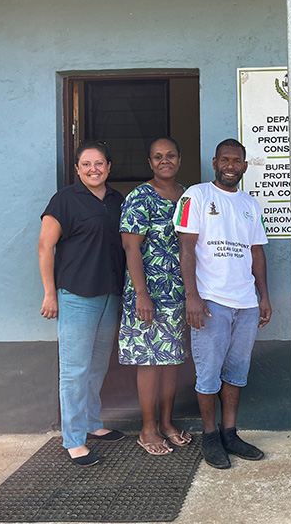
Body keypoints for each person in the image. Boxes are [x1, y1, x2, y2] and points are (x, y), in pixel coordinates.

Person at [173, 138, 272, 470]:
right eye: (225, 160)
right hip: (210, 301)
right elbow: (186, 248)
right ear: (215, 162)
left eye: (237, 161)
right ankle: (210, 435)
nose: (231, 165)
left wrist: (264, 296)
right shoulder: (197, 196)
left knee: (236, 373)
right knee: (208, 373)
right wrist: (192, 296)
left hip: (246, 303)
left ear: (245, 166)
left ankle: (230, 433)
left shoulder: (250, 204)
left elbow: (256, 252)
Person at [38, 140, 126, 467]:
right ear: (77, 169)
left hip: (109, 294)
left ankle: (91, 422)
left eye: (99, 163)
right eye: (86, 164)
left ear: (109, 166)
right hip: (75, 295)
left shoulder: (117, 200)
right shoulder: (64, 201)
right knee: (75, 369)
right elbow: (45, 246)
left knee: (98, 364)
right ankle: (73, 438)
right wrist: (50, 293)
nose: (93, 169)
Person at [119, 137, 192, 456]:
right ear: (150, 162)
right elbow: (130, 247)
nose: (165, 161)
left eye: (171, 155)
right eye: (158, 157)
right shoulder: (140, 197)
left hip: (178, 294)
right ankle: (147, 428)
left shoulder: (188, 196)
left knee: (171, 360)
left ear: (179, 159)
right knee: (149, 361)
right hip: (147, 294)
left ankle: (166, 422)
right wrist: (141, 293)